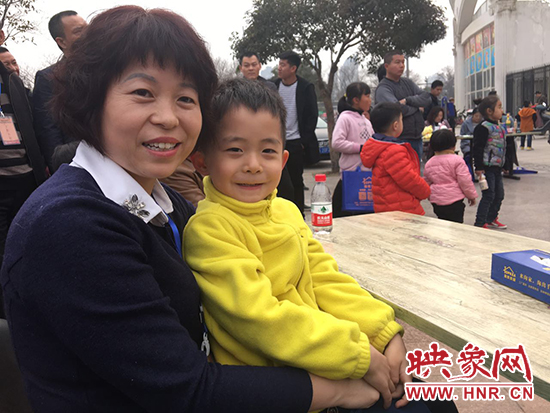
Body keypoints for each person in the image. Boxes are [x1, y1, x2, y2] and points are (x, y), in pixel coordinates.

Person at [0, 7, 379, 412]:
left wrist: (375, 336)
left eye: (185, 98)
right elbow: (186, 390)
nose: (168, 118)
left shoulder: (162, 202)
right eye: (143, 93)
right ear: (91, 100)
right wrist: (341, 389)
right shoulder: (68, 226)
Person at [185, 77, 432, 413]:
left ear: (283, 159)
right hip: (287, 389)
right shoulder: (211, 229)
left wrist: (385, 333)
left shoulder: (285, 211)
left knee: (430, 397)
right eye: (235, 150)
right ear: (202, 162)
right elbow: (261, 318)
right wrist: (359, 355)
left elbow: (325, 278)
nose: (253, 165)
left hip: (324, 359)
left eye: (267, 151)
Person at [0, 34, 48, 319]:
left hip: (27, 180)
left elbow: (32, 129)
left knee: (29, 247)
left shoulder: (13, 82)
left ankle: (34, 309)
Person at [33, 10, 87, 172]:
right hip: (77, 162)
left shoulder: (107, 70)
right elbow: (48, 129)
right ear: (61, 42)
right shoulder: (49, 78)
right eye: (78, 31)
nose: (87, 34)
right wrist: (60, 169)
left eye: (87, 28)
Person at [360, 102, 430, 215]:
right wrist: (426, 191)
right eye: (402, 120)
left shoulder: (379, 146)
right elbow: (409, 179)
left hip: (388, 207)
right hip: (402, 210)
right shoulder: (393, 150)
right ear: (395, 125)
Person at [275, 51, 319, 214]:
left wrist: (303, 141)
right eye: (279, 64)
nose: (279, 68)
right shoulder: (273, 86)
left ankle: (298, 216)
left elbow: (312, 115)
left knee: (296, 182)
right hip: (277, 142)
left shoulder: (305, 87)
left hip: (296, 142)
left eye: (283, 65)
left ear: (293, 68)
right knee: (277, 182)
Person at [375, 50, 431, 161]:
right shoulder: (383, 88)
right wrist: (417, 108)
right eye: (397, 62)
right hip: (397, 141)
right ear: (386, 66)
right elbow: (396, 110)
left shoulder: (408, 83)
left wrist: (408, 100)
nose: (401, 66)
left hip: (416, 139)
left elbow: (426, 98)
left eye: (403, 62)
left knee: (415, 170)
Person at [331, 82, 374, 218]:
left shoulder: (366, 120)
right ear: (356, 100)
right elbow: (337, 143)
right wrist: (360, 148)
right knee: (345, 217)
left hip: (366, 179)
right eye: (367, 96)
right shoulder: (345, 118)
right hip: (349, 177)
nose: (370, 100)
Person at [423, 130, 477, 223]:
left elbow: (426, 181)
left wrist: (425, 195)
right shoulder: (457, 160)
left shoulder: (430, 162)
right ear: (453, 145)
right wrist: (471, 196)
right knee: (455, 225)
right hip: (454, 200)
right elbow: (465, 181)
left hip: (437, 201)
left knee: (442, 223)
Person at [473, 95, 507, 229]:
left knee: (499, 195)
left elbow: (504, 148)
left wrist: (505, 164)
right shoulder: (483, 128)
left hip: (497, 167)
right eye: (499, 107)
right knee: (489, 195)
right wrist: (478, 166)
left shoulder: (500, 127)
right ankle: (480, 222)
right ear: (489, 111)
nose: (502, 110)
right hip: (487, 167)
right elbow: (478, 148)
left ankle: (491, 218)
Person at [460, 107, 483, 181]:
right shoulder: (466, 124)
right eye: (476, 116)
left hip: (479, 145)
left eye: (480, 116)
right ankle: (470, 176)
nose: (478, 118)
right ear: (472, 115)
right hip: (467, 144)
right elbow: (462, 136)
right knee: (468, 157)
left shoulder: (483, 123)